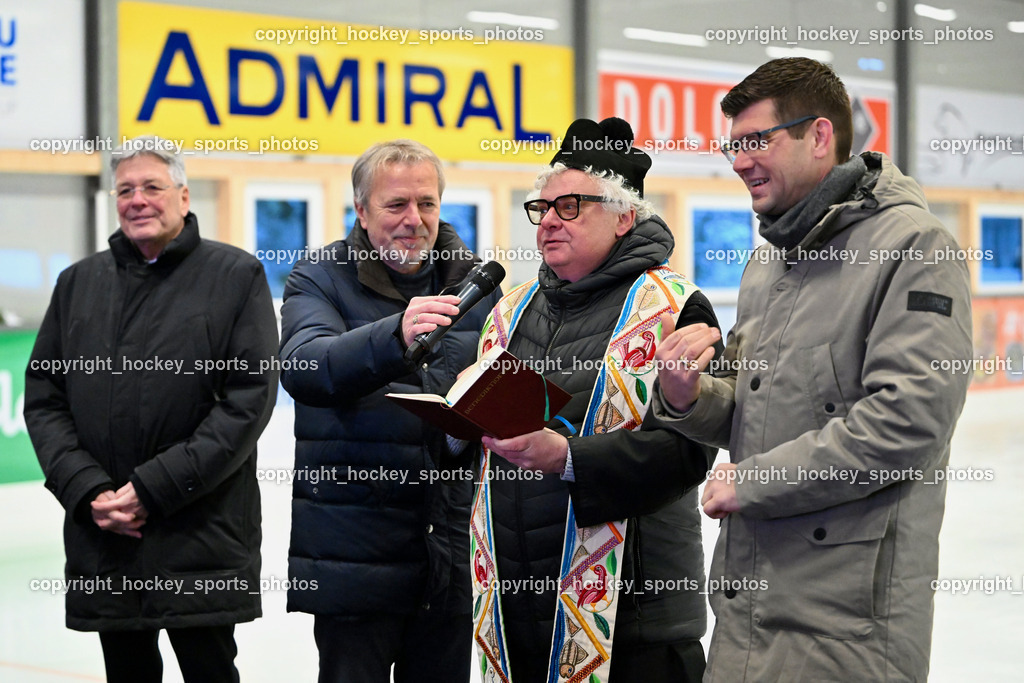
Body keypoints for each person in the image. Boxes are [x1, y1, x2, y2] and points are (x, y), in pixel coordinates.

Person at [653, 58, 974, 681]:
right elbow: (754, 405)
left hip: (847, 622)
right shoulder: (769, 263)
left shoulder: (914, 249)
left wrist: (754, 482)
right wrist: (688, 396)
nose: (739, 161)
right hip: (748, 607)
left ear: (819, 135)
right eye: (732, 145)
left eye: (755, 141)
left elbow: (908, 423)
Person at [470, 117, 720, 683]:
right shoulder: (509, 312)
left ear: (624, 216)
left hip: (633, 621)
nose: (548, 221)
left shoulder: (674, 307)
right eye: (543, 208)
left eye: (570, 206)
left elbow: (688, 453)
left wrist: (568, 459)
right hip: (516, 615)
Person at [24, 135, 279, 683]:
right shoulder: (77, 284)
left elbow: (248, 401)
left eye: (152, 187)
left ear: (184, 197)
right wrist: (87, 491)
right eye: (125, 190)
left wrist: (153, 488)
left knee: (210, 670)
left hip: (201, 534)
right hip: (108, 536)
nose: (137, 200)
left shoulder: (235, 277)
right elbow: (44, 399)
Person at [278, 139, 499, 683]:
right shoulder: (320, 276)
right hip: (354, 557)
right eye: (396, 204)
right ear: (361, 210)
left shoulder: (478, 286)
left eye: (426, 203)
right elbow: (306, 367)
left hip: (449, 555)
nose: (413, 220)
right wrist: (395, 336)